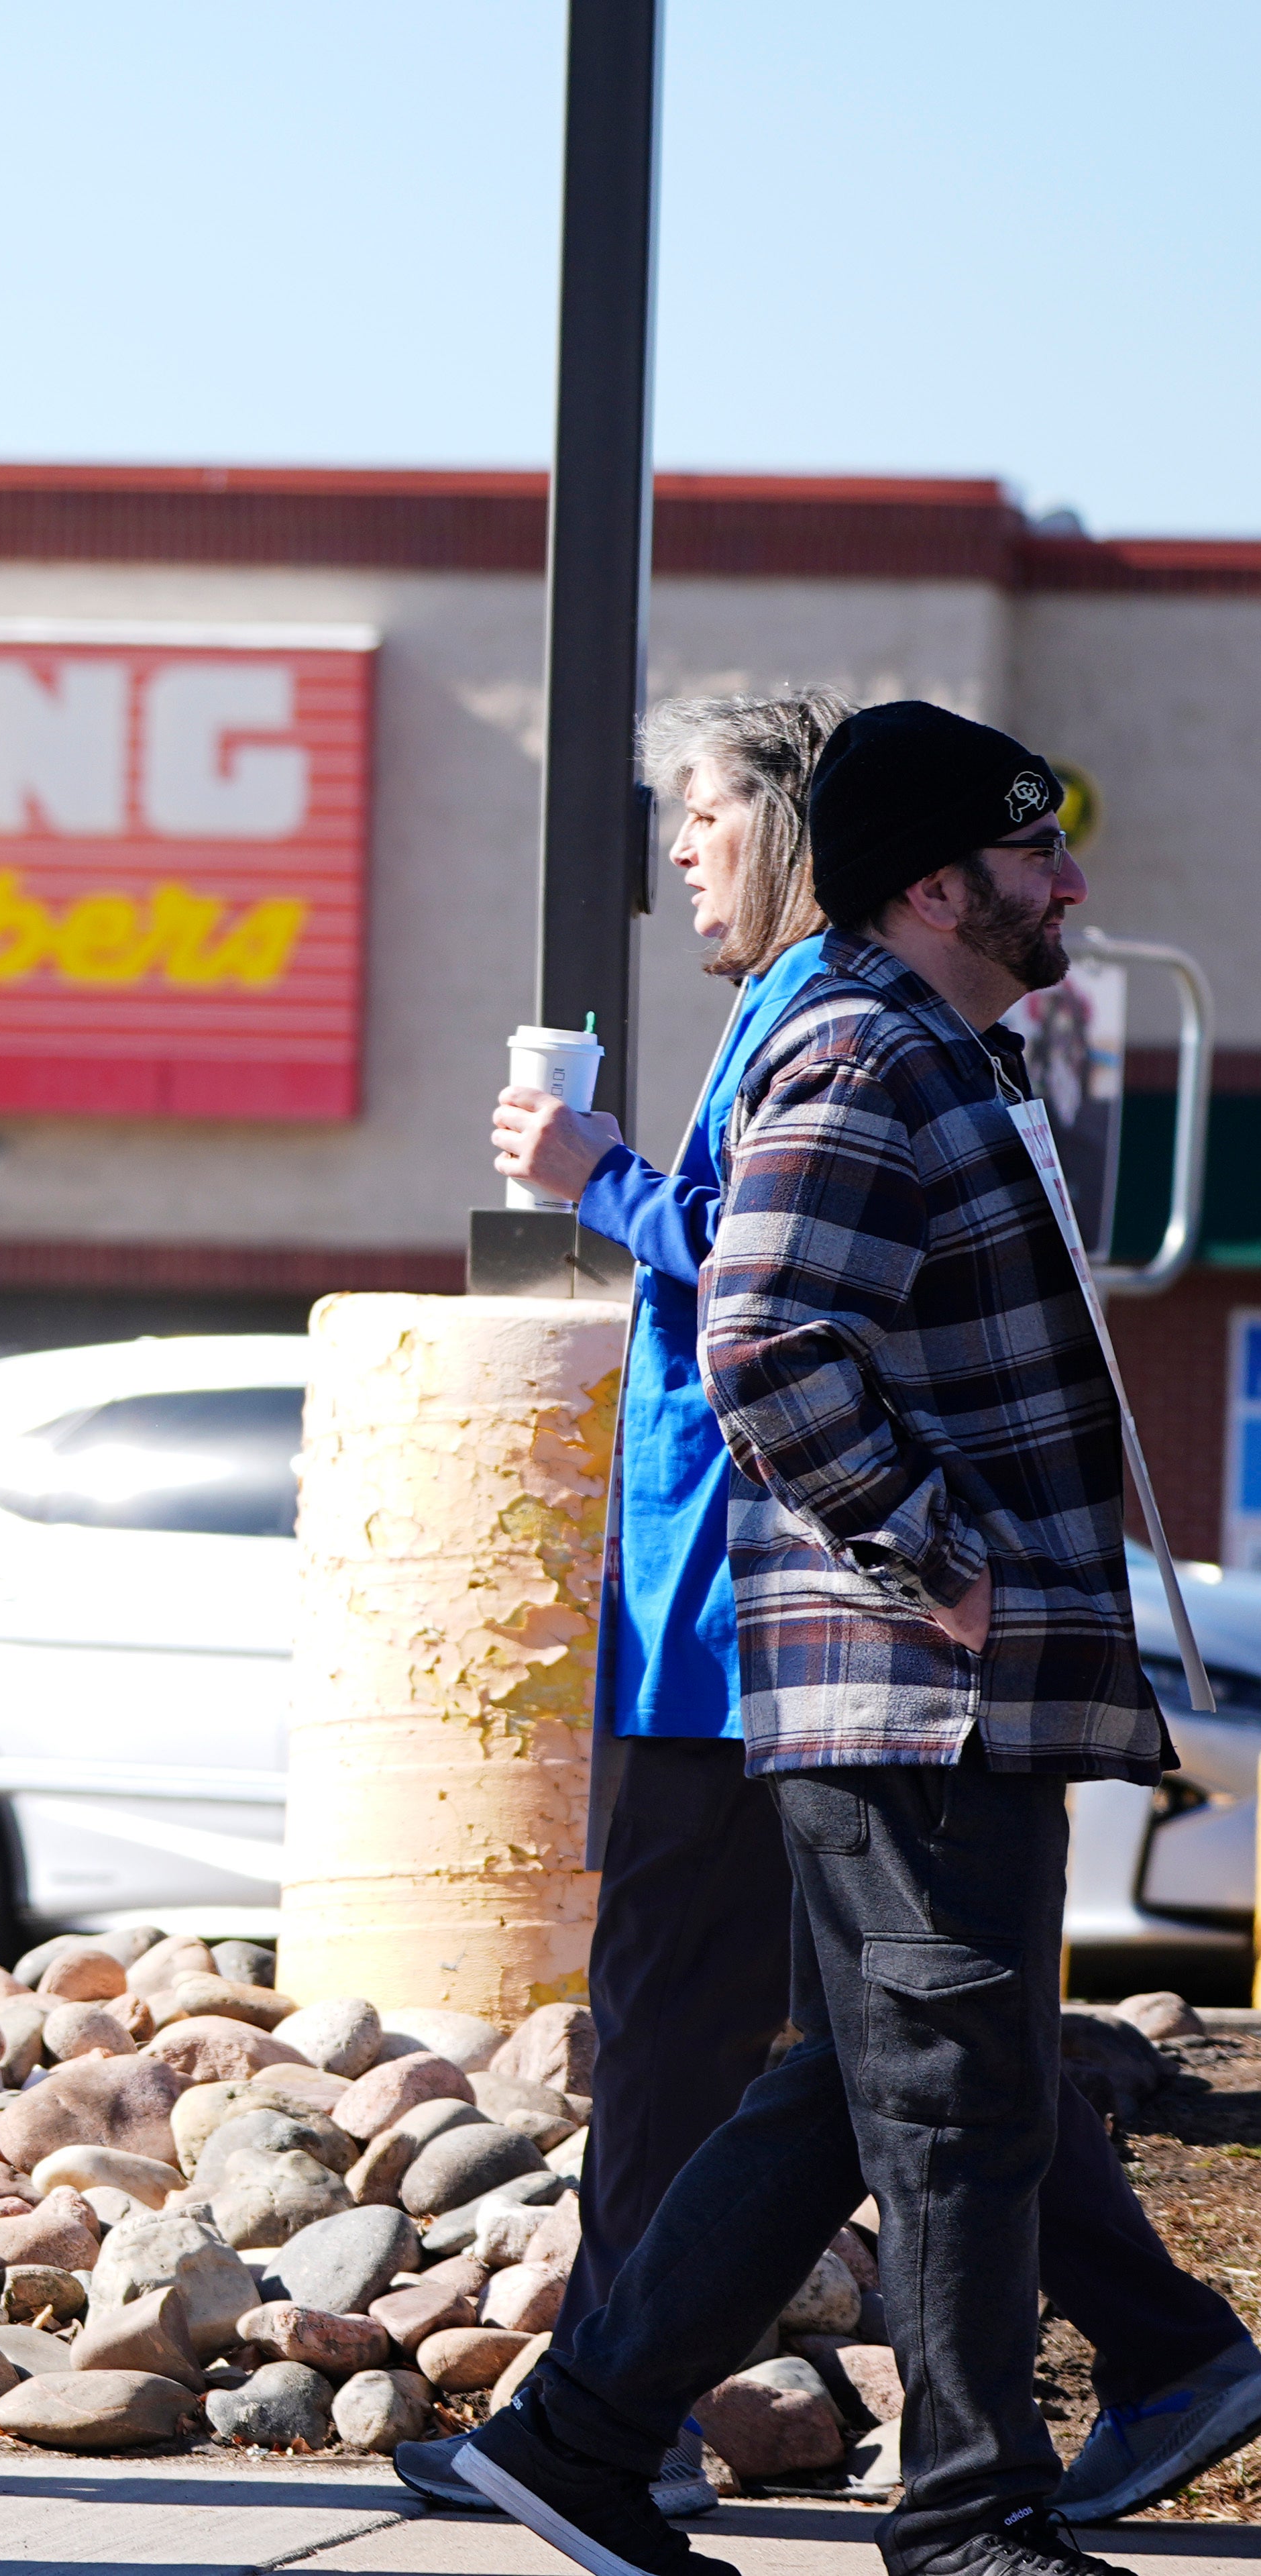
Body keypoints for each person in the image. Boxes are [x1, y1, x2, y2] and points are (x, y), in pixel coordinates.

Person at [402, 698, 1260, 2532]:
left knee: (889, 2081)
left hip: (909, 1680)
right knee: (935, 2087)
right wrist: (932, 1556)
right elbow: (773, 1334)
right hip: (896, 1676)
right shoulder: (867, 1049)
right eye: (1037, 854)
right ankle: (964, 2509)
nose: (1073, 880)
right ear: (942, 883)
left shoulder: (914, 1041)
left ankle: (581, 2436)